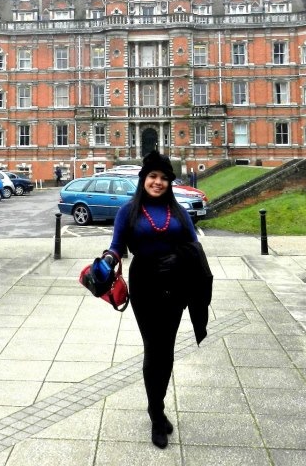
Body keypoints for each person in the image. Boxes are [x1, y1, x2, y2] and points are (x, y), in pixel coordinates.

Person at [105, 150, 212, 450]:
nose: (158, 182)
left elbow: (194, 245)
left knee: (166, 350)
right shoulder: (129, 211)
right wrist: (106, 260)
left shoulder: (177, 213)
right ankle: (156, 414)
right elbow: (116, 247)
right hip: (144, 285)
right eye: (153, 176)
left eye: (164, 178)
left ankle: (157, 406)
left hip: (175, 285)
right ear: (143, 179)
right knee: (154, 349)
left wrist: (179, 258)